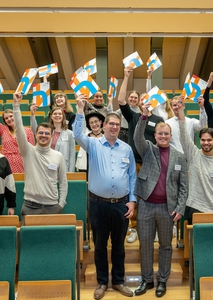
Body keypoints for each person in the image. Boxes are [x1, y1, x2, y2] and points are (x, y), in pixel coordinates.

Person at [73, 93, 136, 300]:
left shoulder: (126, 149)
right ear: (103, 125)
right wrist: (80, 110)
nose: (114, 127)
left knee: (119, 246)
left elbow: (132, 177)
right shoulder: (93, 144)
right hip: (98, 205)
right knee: (99, 246)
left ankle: (118, 281)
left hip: (121, 206)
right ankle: (102, 282)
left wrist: (133, 201)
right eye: (111, 124)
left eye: (117, 124)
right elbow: (76, 135)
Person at [133, 102, 188, 298]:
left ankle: (162, 280)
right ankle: (147, 280)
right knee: (145, 245)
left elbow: (183, 186)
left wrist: (180, 207)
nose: (163, 137)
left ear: (170, 136)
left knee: (166, 245)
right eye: (160, 134)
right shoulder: (147, 149)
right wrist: (144, 117)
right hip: (146, 205)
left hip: (168, 208)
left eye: (166, 134)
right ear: (155, 136)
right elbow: (137, 137)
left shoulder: (179, 157)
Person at [117, 67, 165, 243]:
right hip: (135, 163)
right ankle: (134, 228)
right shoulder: (134, 116)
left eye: (148, 98)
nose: (145, 101)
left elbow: (162, 140)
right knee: (135, 195)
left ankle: (157, 228)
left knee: (155, 196)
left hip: (153, 164)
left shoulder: (159, 120)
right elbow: (121, 100)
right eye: (142, 99)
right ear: (139, 103)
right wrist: (126, 75)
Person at [13, 93, 68, 225]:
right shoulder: (27, 150)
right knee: (28, 243)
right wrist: (16, 105)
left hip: (52, 206)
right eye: (41, 133)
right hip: (30, 206)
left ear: (51, 135)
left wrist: (61, 204)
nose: (43, 136)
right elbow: (19, 129)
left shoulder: (58, 156)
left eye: (47, 133)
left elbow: (63, 182)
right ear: (36, 134)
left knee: (51, 244)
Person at [175, 100, 213, 224]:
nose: (206, 143)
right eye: (203, 140)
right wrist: (180, 111)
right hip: (196, 207)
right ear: (199, 141)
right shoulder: (193, 154)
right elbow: (184, 136)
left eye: (209, 140)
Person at [0, 92, 35, 173]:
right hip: (6, 163)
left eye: (11, 116)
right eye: (6, 118)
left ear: (16, 115)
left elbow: (32, 150)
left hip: (23, 163)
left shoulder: (27, 131)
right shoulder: (4, 130)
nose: (9, 119)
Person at [45, 107, 76, 172]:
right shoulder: (47, 132)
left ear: (63, 117)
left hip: (64, 168)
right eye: (55, 114)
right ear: (51, 116)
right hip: (48, 167)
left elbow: (72, 154)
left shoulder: (70, 133)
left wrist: (71, 172)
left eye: (60, 114)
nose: (57, 115)